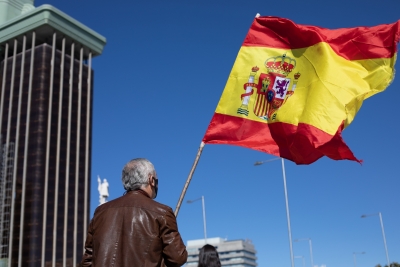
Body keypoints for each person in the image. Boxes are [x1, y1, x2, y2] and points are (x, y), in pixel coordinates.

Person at [80, 158, 188, 267]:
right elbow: (178, 258)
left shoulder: (100, 212)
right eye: (156, 180)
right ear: (151, 180)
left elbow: (88, 260)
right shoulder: (162, 213)